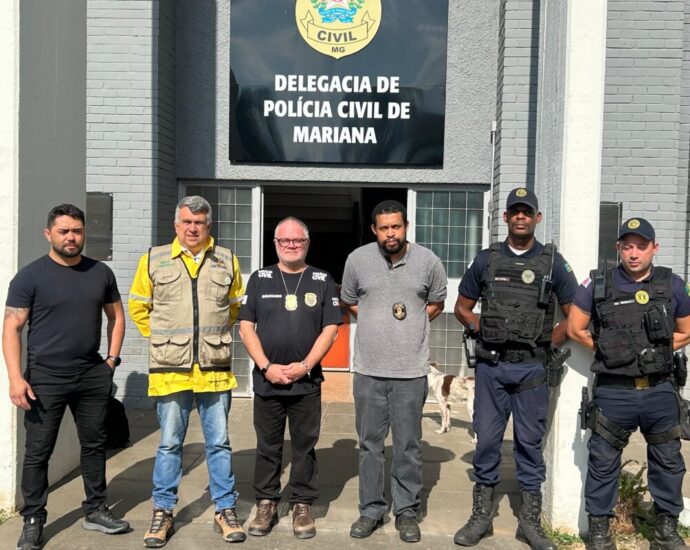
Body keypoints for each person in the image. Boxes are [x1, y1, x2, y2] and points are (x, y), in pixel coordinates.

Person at [453, 188, 577, 550]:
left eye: (527, 211)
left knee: (529, 445)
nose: (521, 217)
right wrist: (481, 328)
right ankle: (481, 516)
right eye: (515, 211)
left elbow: (574, 318)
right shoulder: (486, 260)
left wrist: (547, 341)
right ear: (505, 218)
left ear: (537, 218)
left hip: (532, 371)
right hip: (492, 368)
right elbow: (462, 307)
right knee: (487, 441)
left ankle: (529, 521)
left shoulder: (553, 263)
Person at [2, 203, 129, 550]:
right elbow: (11, 327)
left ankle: (96, 509)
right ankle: (33, 520)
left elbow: (117, 317)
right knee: (38, 452)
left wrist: (111, 361)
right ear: (49, 234)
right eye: (63, 231)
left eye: (77, 231)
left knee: (94, 444)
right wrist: (15, 378)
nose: (71, 237)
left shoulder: (100, 273)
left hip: (91, 375)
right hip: (44, 379)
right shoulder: (30, 276)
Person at [128, 196, 245, 547]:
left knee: (219, 443)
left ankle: (225, 510)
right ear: (176, 225)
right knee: (169, 444)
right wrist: (164, 340)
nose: (193, 228)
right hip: (171, 369)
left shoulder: (226, 259)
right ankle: (162, 512)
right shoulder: (154, 259)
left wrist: (210, 338)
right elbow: (138, 306)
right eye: (187, 222)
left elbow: (235, 307)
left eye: (199, 223)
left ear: (209, 226)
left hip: (214, 368)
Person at [568, 218, 690, 550]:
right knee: (602, 462)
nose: (634, 253)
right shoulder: (597, 284)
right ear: (618, 248)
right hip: (614, 392)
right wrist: (609, 352)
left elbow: (686, 330)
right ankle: (600, 533)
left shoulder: (672, 284)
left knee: (668, 461)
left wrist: (654, 353)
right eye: (627, 246)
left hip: (659, 390)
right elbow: (575, 329)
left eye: (641, 246)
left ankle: (665, 531)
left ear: (654, 248)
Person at [341, 200, 447, 543]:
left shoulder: (428, 261)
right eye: (384, 228)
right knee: (369, 445)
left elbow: (437, 302)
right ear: (374, 229)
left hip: (410, 371)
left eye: (396, 227)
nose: (391, 234)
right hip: (369, 370)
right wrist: (374, 320)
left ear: (406, 226)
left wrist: (411, 323)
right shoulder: (357, 260)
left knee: (408, 446)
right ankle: (371, 510)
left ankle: (406, 511)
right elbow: (350, 300)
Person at [238, 217, 341, 539]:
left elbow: (331, 329)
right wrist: (266, 366)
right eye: (285, 240)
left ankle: (301, 504)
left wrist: (306, 365)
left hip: (306, 382)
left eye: (297, 240)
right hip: (267, 379)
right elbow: (245, 327)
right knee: (267, 446)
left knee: (304, 446)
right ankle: (266, 502)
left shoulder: (322, 279)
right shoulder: (260, 279)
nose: (291, 245)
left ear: (307, 243)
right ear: (276, 243)